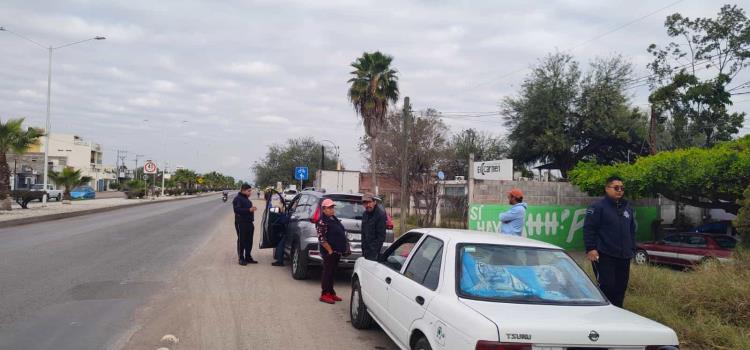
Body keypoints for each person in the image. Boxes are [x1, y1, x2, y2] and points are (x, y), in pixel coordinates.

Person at [583, 176, 636, 308]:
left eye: (622, 188)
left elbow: (631, 229)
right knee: (607, 286)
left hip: (624, 256)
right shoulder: (597, 207)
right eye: (616, 188)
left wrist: (632, 248)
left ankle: (618, 313)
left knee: (621, 287)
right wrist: (591, 248)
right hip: (604, 254)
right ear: (607, 189)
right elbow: (589, 228)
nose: (620, 190)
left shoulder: (627, 207)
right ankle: (604, 314)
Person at [316, 198, 350, 304]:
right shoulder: (322, 221)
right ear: (324, 209)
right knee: (327, 272)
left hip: (337, 251)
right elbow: (321, 238)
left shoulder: (333, 218)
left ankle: (331, 292)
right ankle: (324, 293)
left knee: (332, 272)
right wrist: (330, 250)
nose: (332, 210)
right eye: (329, 208)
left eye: (332, 207)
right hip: (329, 252)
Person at [233, 184, 258, 265]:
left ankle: (248, 257)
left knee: (249, 241)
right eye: (249, 191)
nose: (250, 192)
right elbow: (237, 210)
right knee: (242, 241)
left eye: (250, 191)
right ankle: (241, 258)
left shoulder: (246, 199)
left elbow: (247, 209)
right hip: (241, 223)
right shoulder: (238, 199)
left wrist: (251, 209)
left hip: (249, 223)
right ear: (243, 190)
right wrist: (249, 210)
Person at [361, 193, 386, 260]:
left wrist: (373, 252)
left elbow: (381, 237)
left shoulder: (380, 215)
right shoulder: (365, 214)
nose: (368, 205)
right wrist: (364, 249)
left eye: (369, 202)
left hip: (374, 252)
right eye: (365, 203)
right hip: (366, 251)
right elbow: (363, 233)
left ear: (374, 202)